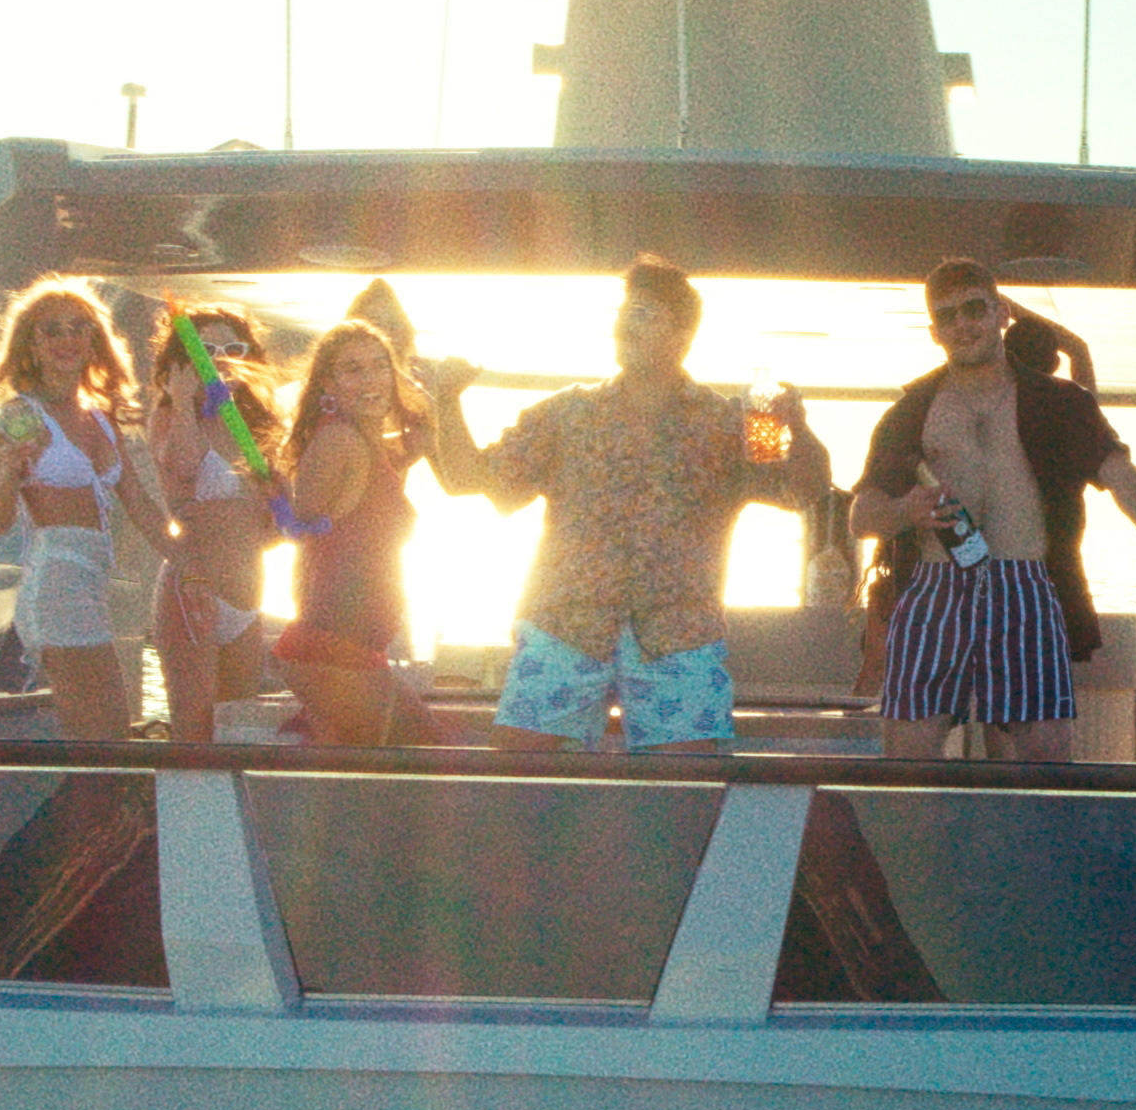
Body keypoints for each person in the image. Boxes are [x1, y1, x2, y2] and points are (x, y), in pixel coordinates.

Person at [427, 256, 832, 755]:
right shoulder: (566, 415)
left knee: (689, 786)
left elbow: (803, 491)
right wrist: (446, 399)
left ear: (683, 335)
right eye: (624, 312)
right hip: (566, 627)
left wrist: (798, 428)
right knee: (519, 772)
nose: (624, 325)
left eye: (644, 314)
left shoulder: (725, 424)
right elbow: (468, 480)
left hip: (679, 636)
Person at [851, 257, 1136, 761]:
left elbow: (1122, 477)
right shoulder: (909, 413)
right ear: (935, 332)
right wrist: (904, 512)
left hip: (1026, 587)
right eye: (948, 316)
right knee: (907, 762)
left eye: (974, 309)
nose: (963, 325)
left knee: (1042, 768)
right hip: (936, 589)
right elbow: (862, 513)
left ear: (1001, 314)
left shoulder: (1061, 403)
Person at [0, 287, 166, 741]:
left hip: (91, 585)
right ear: (31, 343)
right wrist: (8, 472)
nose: (67, 340)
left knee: (110, 733)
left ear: (94, 338)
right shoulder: (21, 415)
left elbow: (141, 505)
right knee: (100, 739)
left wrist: (190, 560)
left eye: (78, 328)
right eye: (52, 330)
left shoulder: (101, 417)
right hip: (56, 585)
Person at [271, 317, 449, 747]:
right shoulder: (339, 440)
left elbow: (363, 503)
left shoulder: (368, 444)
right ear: (328, 384)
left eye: (379, 366)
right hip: (332, 648)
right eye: (353, 369)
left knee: (397, 760)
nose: (370, 379)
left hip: (353, 648)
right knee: (423, 754)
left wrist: (416, 441)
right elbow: (301, 529)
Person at [145, 306, 286, 741]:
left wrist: (271, 514)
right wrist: (183, 399)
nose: (221, 359)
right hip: (195, 587)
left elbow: (278, 526)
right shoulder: (170, 416)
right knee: (196, 731)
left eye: (233, 349)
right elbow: (184, 468)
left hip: (247, 594)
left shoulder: (255, 426)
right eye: (206, 349)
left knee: (235, 730)